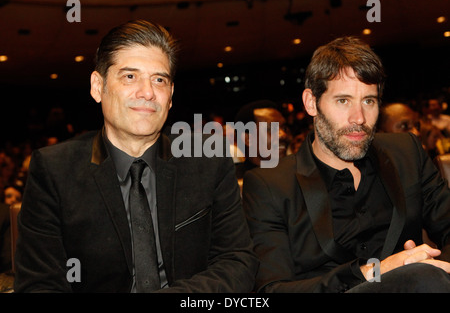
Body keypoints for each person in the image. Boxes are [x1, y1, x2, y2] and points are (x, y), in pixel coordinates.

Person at [14, 19, 258, 293]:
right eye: (130, 76)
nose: (148, 92)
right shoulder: (55, 170)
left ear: (171, 96)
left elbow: (237, 262)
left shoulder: (206, 160)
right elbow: (40, 284)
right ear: (98, 86)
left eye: (159, 80)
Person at [243, 36, 450, 293]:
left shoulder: (406, 152)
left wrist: (436, 267)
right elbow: (271, 290)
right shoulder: (270, 186)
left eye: (369, 101)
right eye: (343, 100)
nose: (359, 118)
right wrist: (374, 272)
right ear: (311, 103)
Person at [234, 100, 290, 180]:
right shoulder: (233, 184)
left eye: (284, 128)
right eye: (270, 129)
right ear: (247, 139)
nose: (283, 135)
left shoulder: (298, 175)